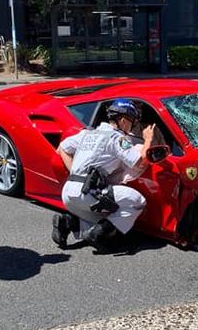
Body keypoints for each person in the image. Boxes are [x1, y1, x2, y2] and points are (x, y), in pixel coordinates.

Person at [53, 99, 156, 253]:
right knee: (136, 201)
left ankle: (69, 222)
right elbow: (138, 161)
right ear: (122, 120)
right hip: (89, 193)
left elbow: (62, 149)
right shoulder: (117, 138)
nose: (132, 127)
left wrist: (76, 173)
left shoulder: (88, 133)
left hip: (68, 192)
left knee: (105, 219)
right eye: (132, 122)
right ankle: (100, 237)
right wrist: (148, 139)